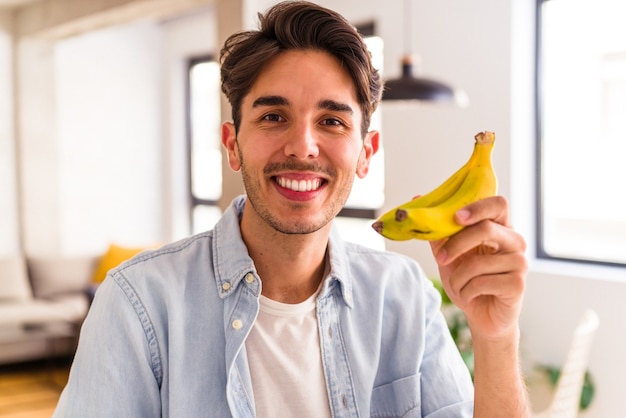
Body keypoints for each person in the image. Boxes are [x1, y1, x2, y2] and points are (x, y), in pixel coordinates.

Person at [54, 1, 530, 417]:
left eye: (331, 121)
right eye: (273, 116)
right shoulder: (138, 305)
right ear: (232, 145)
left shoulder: (403, 297)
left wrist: (496, 336)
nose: (303, 147)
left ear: (367, 153)